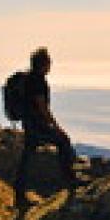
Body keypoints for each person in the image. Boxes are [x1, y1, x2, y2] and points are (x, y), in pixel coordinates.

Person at [14, 47, 77, 203]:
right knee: (63, 141)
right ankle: (70, 180)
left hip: (28, 124)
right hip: (37, 125)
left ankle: (19, 194)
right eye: (49, 62)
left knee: (27, 157)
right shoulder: (38, 80)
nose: (51, 65)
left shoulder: (28, 78)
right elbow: (42, 106)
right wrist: (55, 125)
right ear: (43, 64)